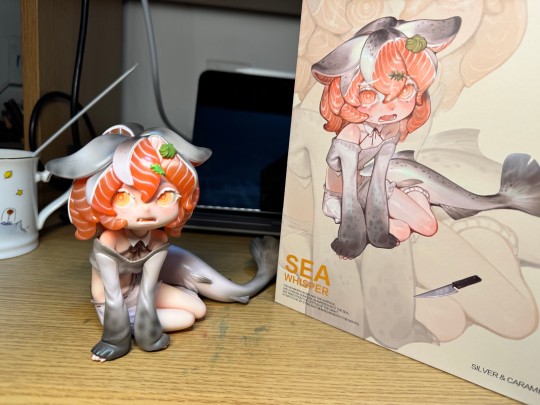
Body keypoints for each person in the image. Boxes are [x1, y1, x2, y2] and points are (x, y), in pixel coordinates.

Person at [312, 16, 461, 259]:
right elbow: (348, 191)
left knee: (429, 227)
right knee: (400, 231)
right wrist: (351, 241)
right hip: (341, 198)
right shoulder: (351, 133)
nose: (389, 108)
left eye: (406, 91)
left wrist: (378, 226)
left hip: (370, 190)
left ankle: (415, 193)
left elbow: (378, 178)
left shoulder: (390, 130)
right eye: (370, 95)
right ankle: (393, 212)